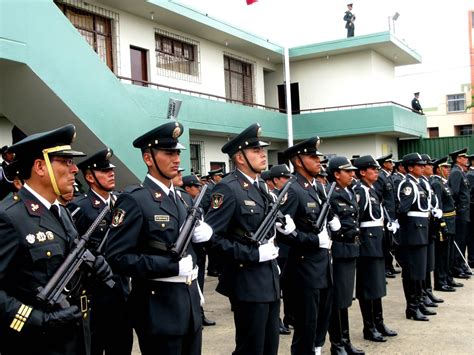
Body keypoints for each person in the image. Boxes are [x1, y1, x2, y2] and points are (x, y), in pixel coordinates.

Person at [0, 124, 113, 354]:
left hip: (76, 337)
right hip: (37, 343)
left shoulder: (60, 212)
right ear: (40, 167)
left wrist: (93, 266)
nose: (74, 170)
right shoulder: (9, 216)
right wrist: (37, 319)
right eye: (65, 161)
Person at [105, 121, 213, 355]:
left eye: (177, 152)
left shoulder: (183, 199)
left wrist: (205, 237)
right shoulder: (135, 200)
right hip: (158, 310)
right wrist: (170, 266)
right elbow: (116, 258)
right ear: (148, 159)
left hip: (189, 305)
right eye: (168, 153)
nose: (176, 159)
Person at [205, 123, 289, 355]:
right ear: (240, 158)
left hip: (269, 278)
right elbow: (212, 239)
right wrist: (253, 254)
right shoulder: (228, 188)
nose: (263, 154)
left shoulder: (260, 186)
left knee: (269, 345)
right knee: (251, 347)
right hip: (247, 281)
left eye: (262, 150)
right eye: (256, 151)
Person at [68, 148, 133, 355]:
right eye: (104, 171)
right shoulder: (79, 207)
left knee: (122, 344)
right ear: (89, 177)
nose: (111, 173)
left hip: (121, 288)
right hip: (95, 293)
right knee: (95, 346)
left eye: (111, 170)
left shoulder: (121, 203)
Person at [278, 136, 339, 355]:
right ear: (298, 161)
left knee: (321, 323)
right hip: (304, 269)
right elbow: (283, 232)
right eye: (312, 157)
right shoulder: (292, 190)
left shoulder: (316, 188)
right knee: (306, 327)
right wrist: (314, 240)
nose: (318, 162)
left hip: (323, 266)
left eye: (318, 157)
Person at [353, 155, 396, 342]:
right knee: (368, 287)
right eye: (373, 169)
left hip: (377, 242)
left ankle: (378, 322)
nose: (377, 171)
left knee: (377, 286)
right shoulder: (360, 191)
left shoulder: (371, 190)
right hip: (367, 244)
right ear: (362, 172)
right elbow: (356, 219)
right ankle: (369, 327)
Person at [326, 156, 365, 355]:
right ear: (336, 174)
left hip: (350, 249)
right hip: (339, 250)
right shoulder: (331, 194)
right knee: (338, 299)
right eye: (347, 171)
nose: (352, 174)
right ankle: (337, 343)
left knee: (345, 299)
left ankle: (346, 340)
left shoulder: (349, 191)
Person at [397, 153, 432, 321]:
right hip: (413, 232)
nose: (423, 167)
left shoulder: (419, 183)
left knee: (419, 270)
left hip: (421, 230)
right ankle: (411, 307)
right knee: (411, 271)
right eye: (419, 165)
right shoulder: (408, 184)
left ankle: (418, 302)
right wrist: (407, 230)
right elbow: (403, 210)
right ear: (410, 167)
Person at [181, 174, 216, 327]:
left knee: (199, 285)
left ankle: (200, 314)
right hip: (188, 256)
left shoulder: (199, 207)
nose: (198, 189)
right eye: (196, 186)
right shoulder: (183, 204)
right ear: (187, 188)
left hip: (200, 253)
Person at [269, 164, 293, 336]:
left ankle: (289, 317)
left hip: (290, 246)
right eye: (285, 177)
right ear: (276, 180)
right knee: (277, 287)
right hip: (278, 248)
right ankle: (276, 320)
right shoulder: (275, 196)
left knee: (290, 287)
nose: (288, 180)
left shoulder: (289, 194)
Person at [430, 157, 457, 292]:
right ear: (438, 169)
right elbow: (438, 205)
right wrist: (442, 224)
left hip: (451, 221)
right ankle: (440, 281)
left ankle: (448, 278)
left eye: (448, 167)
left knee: (449, 254)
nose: (448, 170)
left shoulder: (443, 183)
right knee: (442, 255)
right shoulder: (436, 183)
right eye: (445, 167)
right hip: (444, 221)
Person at [374, 154, 398, 279]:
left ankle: (389, 266)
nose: (393, 164)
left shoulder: (387, 176)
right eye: (390, 162)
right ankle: (385, 268)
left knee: (389, 243)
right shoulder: (381, 177)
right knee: (385, 243)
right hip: (386, 213)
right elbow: (379, 197)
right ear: (384, 164)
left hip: (391, 214)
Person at [447, 148, 471, 278]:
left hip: (464, 211)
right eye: (464, 157)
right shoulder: (456, 172)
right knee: (459, 240)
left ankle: (461, 264)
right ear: (458, 159)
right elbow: (454, 192)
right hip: (460, 211)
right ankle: (457, 267)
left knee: (463, 240)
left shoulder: (460, 172)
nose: (466, 159)